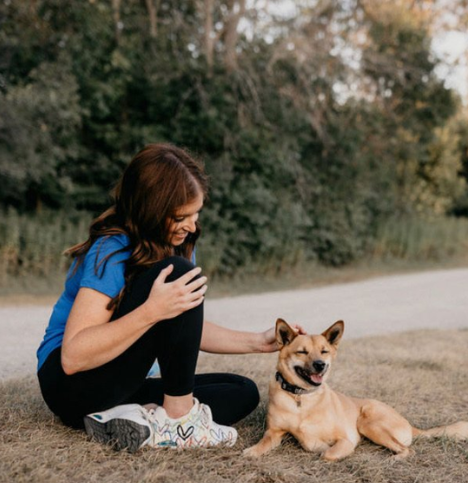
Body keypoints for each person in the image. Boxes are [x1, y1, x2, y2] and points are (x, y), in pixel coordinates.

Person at [36, 142, 300, 452]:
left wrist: (259, 341)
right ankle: (179, 421)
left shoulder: (178, 243)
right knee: (177, 273)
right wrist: (152, 311)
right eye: (181, 216)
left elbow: (182, 328)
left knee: (241, 391)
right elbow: (73, 357)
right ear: (152, 210)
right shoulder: (113, 250)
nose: (191, 226)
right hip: (72, 386)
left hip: (122, 383)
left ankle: (132, 420)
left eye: (196, 214)